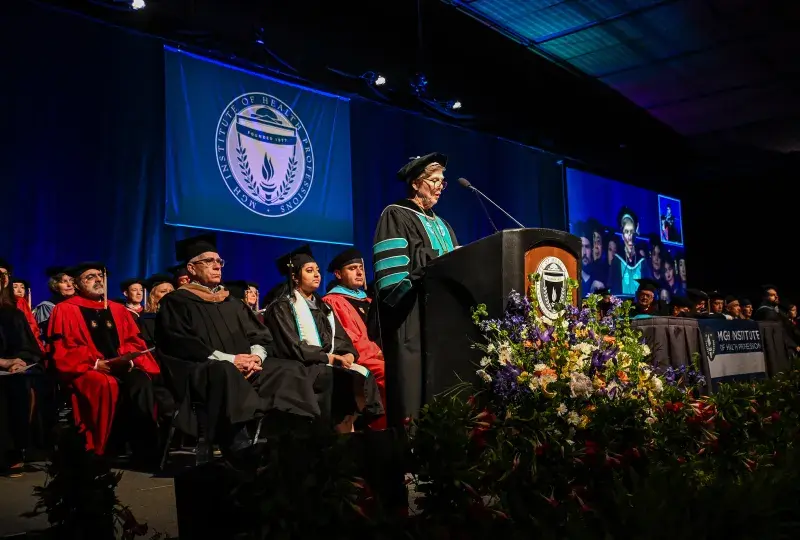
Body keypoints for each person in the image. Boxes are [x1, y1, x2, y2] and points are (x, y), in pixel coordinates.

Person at [156, 234, 309, 457]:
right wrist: (232, 360)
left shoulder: (232, 302)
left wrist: (255, 358)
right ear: (191, 268)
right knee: (224, 371)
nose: (217, 266)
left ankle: (290, 440)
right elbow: (180, 343)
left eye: (219, 262)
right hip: (202, 372)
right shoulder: (175, 302)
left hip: (246, 367)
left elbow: (260, 336)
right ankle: (238, 445)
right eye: (209, 261)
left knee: (290, 369)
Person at [372, 153, 458, 426]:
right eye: (434, 180)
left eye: (442, 182)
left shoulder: (444, 224)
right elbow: (392, 280)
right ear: (416, 183)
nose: (439, 187)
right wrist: (435, 262)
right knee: (413, 394)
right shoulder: (395, 214)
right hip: (411, 318)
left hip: (444, 321)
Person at [47, 262, 163, 458]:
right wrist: (94, 364)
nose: (98, 279)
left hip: (121, 365)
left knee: (141, 382)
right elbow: (63, 349)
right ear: (76, 284)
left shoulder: (118, 310)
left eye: (100, 276)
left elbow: (133, 341)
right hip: (86, 369)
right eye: (90, 277)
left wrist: (129, 360)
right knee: (104, 383)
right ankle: (102, 448)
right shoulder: (65, 310)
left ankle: (145, 451)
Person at [265, 245, 384, 432]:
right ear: (295, 277)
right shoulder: (282, 306)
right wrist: (328, 358)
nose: (317, 275)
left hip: (325, 362)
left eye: (318, 271)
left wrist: (348, 355)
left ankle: (353, 434)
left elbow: (342, 339)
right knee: (336, 378)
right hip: (300, 367)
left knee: (358, 373)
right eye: (309, 271)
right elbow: (293, 346)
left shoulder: (323, 308)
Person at [323, 247, 387, 429]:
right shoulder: (334, 301)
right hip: (362, 357)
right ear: (338, 274)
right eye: (352, 268)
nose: (359, 272)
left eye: (360, 267)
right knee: (389, 372)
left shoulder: (368, 301)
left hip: (382, 354)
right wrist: (381, 353)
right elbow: (350, 338)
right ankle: (384, 428)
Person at [0, 276, 45, 475]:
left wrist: (20, 361)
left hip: (9, 372)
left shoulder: (13, 314)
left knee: (19, 386)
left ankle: (13, 451)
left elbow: (28, 347)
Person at [33, 267, 75, 336]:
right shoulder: (47, 306)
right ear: (55, 286)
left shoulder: (80, 303)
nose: (69, 285)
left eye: (71, 280)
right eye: (64, 282)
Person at [137, 273, 175, 347]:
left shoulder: (182, 316)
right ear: (153, 296)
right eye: (163, 291)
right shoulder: (145, 321)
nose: (168, 294)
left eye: (171, 291)